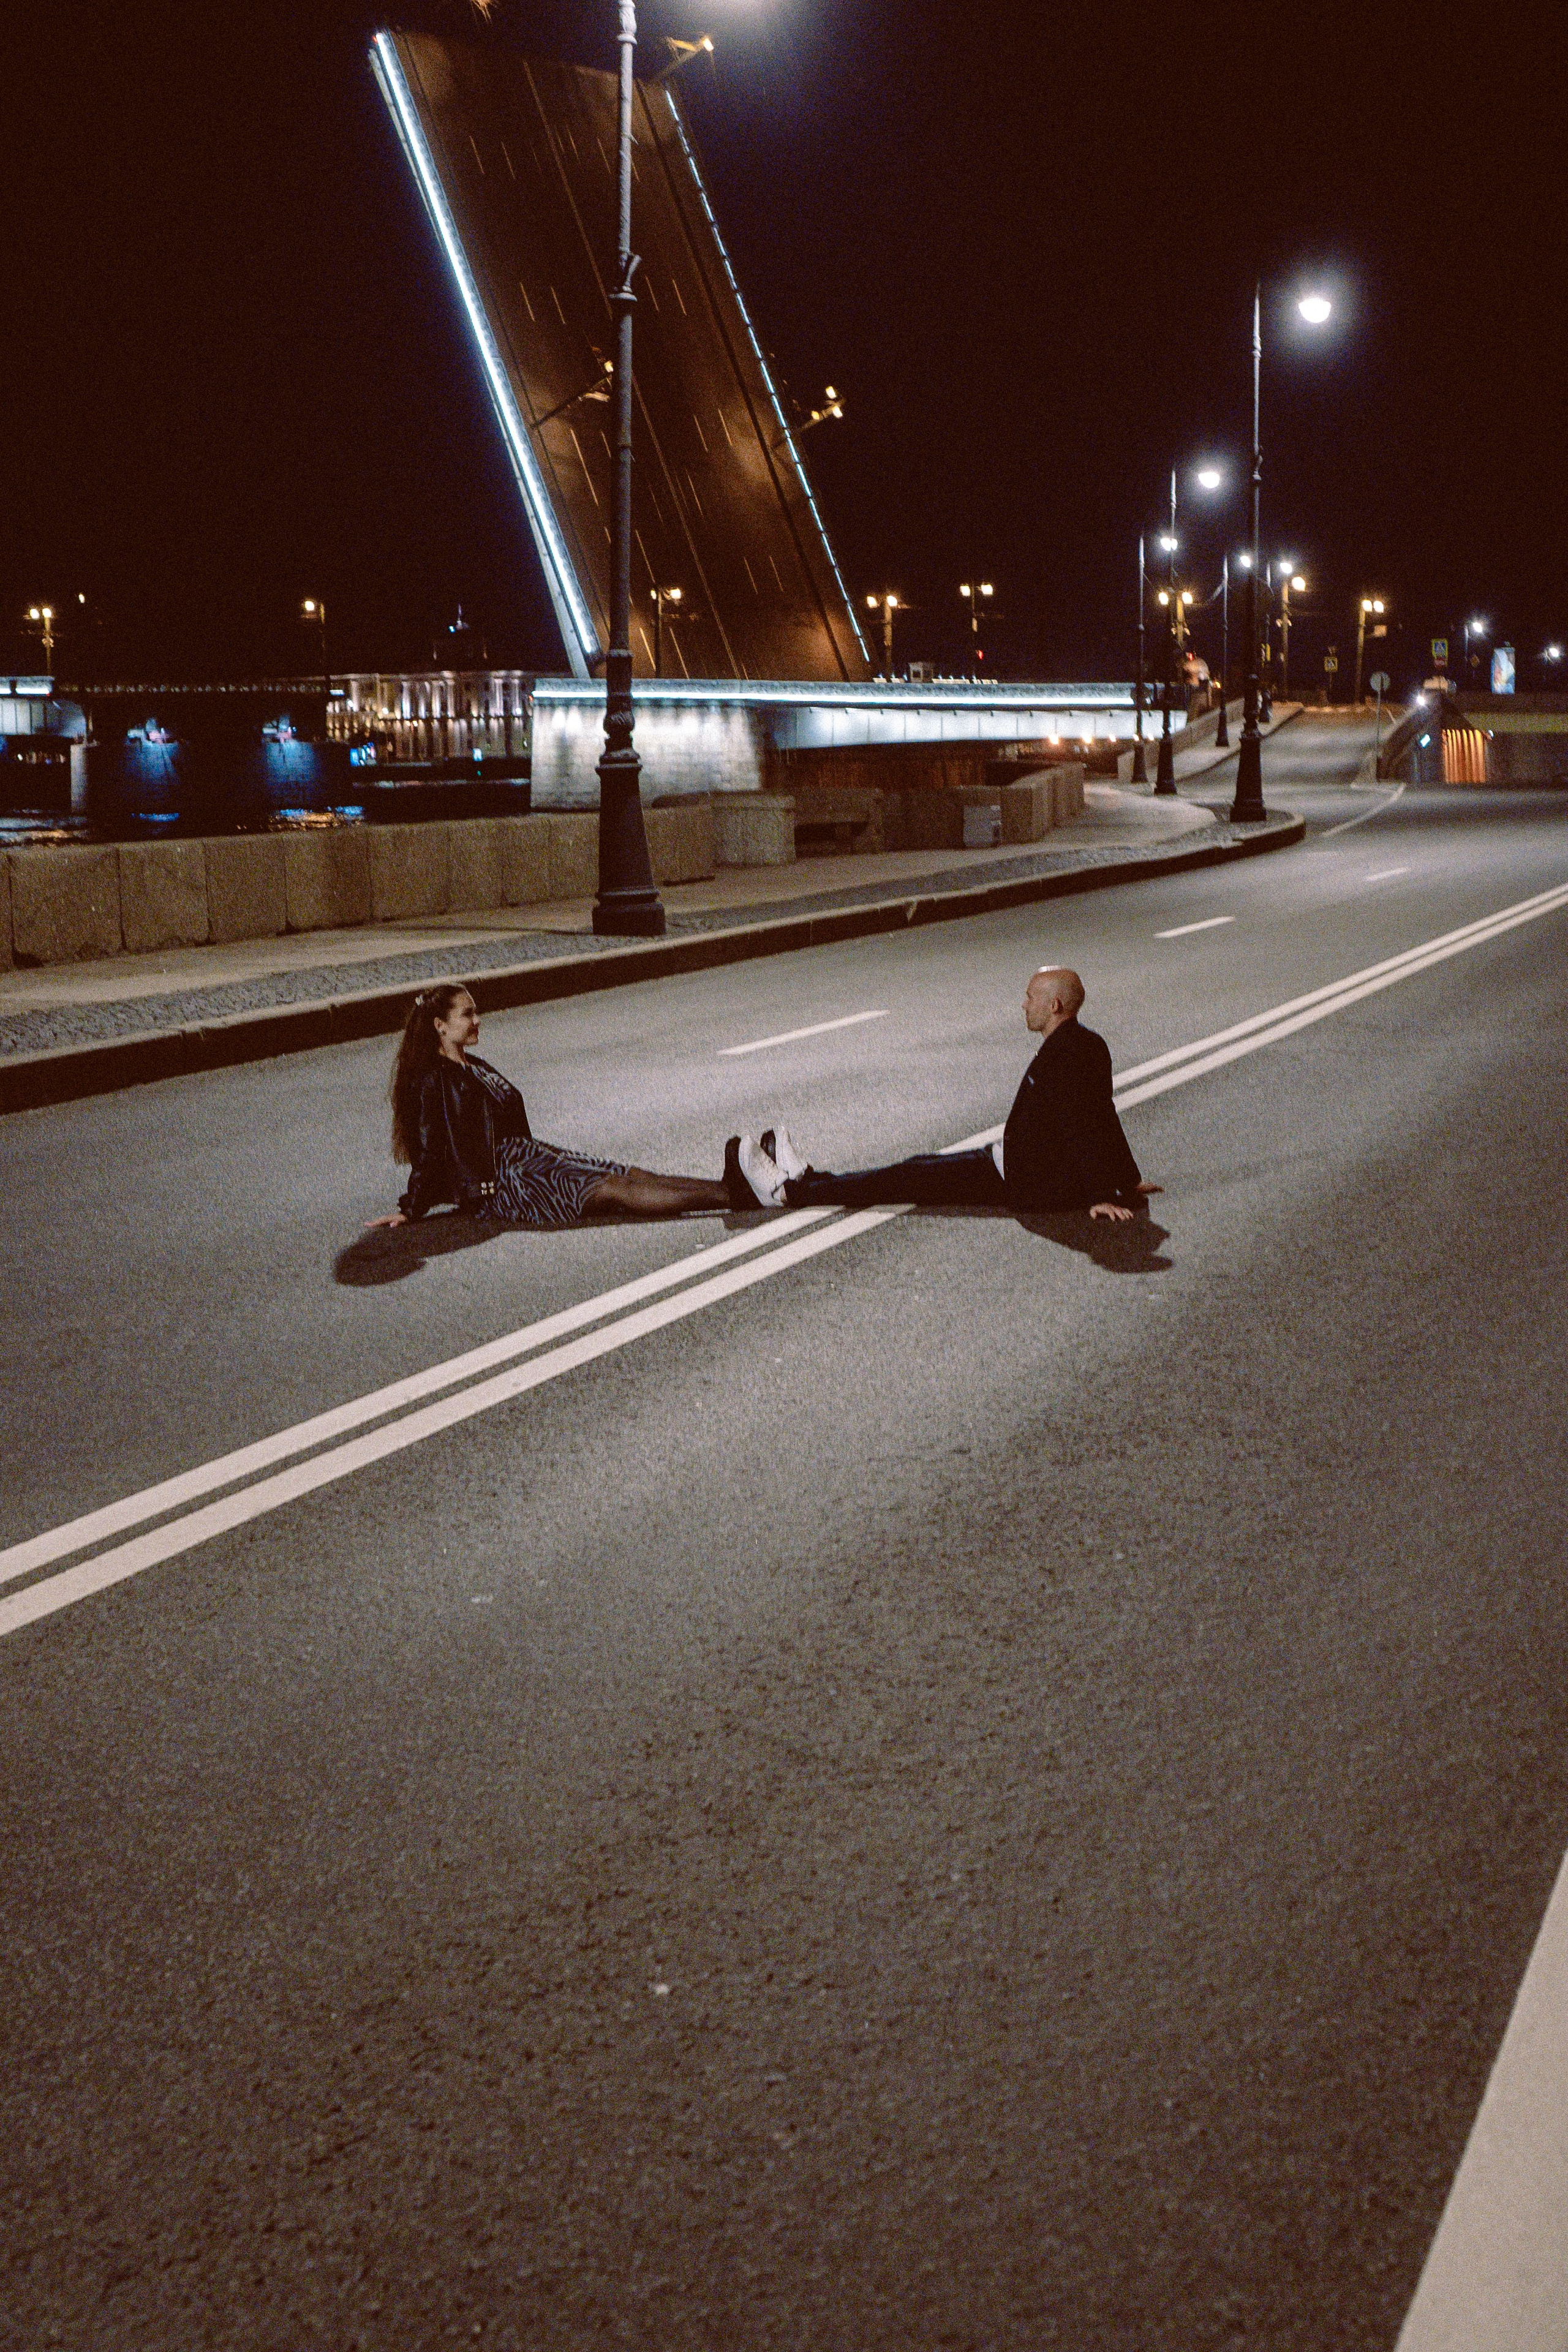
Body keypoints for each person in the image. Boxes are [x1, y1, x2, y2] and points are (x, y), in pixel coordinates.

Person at [740, 967, 1159, 1223]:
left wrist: (1103, 1194)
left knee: (904, 1178)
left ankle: (790, 1192)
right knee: (912, 1170)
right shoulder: (1086, 1043)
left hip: (1017, 1179)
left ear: (1054, 1006)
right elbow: (1104, 1114)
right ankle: (808, 1179)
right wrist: (1126, 1177)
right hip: (1008, 1164)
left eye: (1031, 997)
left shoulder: (1066, 1053)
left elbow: (1085, 1124)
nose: (1023, 1005)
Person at [365, 982, 779, 1231]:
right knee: (614, 1191)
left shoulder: (473, 1066)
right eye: (468, 1014)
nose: (478, 1020)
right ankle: (733, 1195)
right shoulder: (431, 1080)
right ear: (440, 1025)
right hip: (506, 1183)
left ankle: (735, 1190)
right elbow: (429, 1146)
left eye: (476, 1012)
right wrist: (411, 1208)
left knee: (628, 1173)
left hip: (528, 1157)